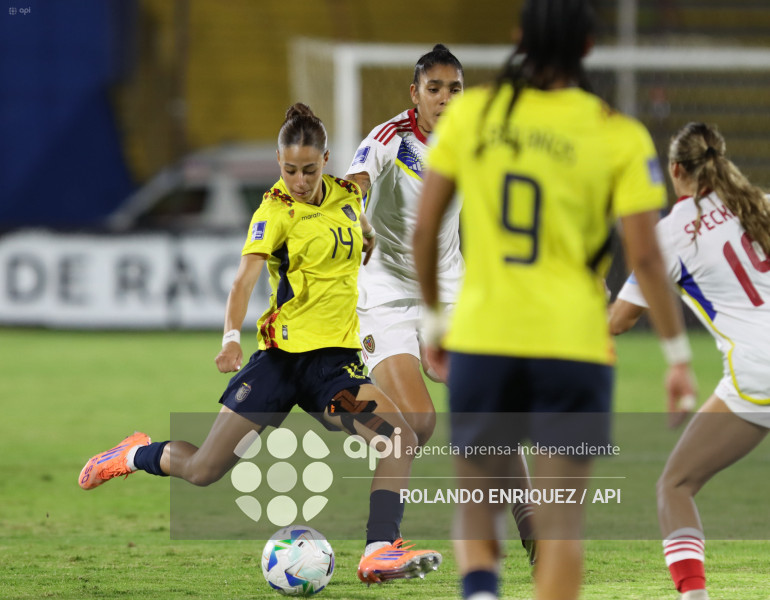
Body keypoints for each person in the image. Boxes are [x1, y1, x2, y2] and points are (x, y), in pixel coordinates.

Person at [78, 103, 442, 585]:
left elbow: (358, 223)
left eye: (309, 170)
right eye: (289, 169)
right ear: (278, 161)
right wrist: (231, 339)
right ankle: (132, 454)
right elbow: (243, 282)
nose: (299, 179)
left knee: (398, 437)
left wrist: (367, 236)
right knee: (205, 470)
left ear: (326, 160)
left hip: (332, 375)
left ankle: (378, 551)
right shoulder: (274, 211)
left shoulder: (348, 196)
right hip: (278, 368)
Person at [412, 2, 698, 600]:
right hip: (574, 346)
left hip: (484, 338)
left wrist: (436, 326)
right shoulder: (617, 133)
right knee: (561, 528)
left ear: (518, 37)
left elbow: (423, 229)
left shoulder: (475, 116)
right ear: (589, 46)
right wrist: (676, 354)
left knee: (477, 503)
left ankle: (482, 590)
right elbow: (646, 257)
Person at [344, 43, 537, 564]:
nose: (445, 99)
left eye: (454, 88)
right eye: (434, 89)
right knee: (417, 424)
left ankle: (532, 524)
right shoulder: (390, 138)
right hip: (385, 295)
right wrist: (356, 211)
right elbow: (355, 183)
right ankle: (382, 541)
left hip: (450, 292)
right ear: (415, 94)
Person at [610, 122, 770, 600]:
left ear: (675, 170)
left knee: (674, 486)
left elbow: (619, 321)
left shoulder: (670, 233)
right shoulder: (761, 202)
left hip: (758, 370)